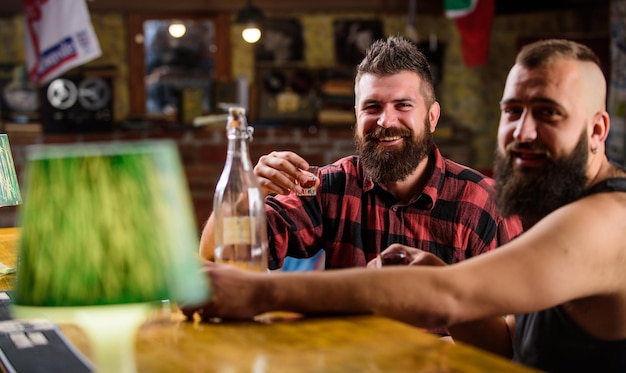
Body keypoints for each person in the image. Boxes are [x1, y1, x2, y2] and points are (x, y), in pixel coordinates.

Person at [184, 39, 626, 372]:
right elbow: (509, 342)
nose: (523, 132)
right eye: (512, 111)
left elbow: (448, 299)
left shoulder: (608, 220)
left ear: (596, 130)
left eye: (549, 113)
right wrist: (244, 193)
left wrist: (260, 293)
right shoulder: (331, 184)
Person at [199, 35, 522, 272]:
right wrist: (245, 192)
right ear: (357, 116)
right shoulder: (329, 186)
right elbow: (216, 258)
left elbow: (514, 324)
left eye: (403, 105)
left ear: (432, 117)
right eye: (372, 107)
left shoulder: (484, 203)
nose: (385, 121)